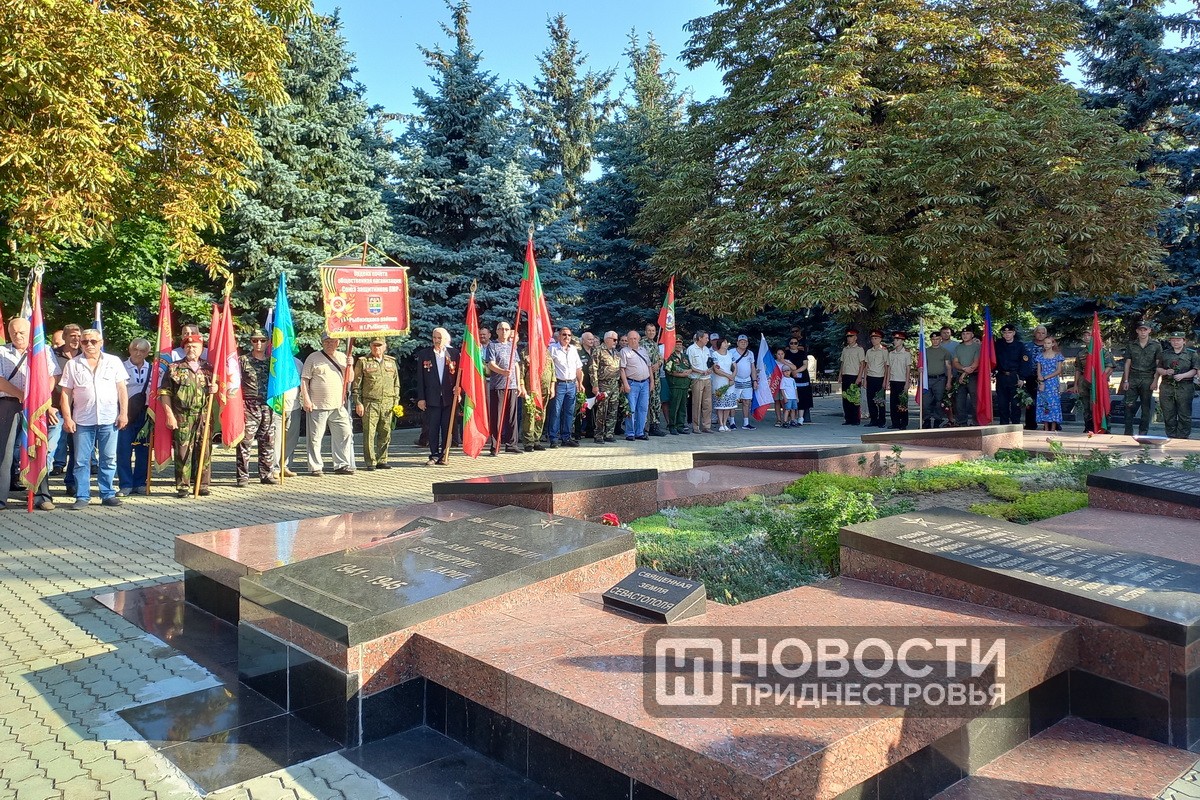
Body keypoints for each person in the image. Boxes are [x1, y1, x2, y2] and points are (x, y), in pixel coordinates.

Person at [59, 329, 128, 510]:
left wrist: (124, 413)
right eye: (85, 342)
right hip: (82, 420)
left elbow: (122, 390)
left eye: (93, 341)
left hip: (109, 419)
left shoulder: (114, 361)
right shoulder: (73, 364)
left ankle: (108, 494)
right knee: (81, 461)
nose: (89, 344)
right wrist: (67, 418)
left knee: (109, 459)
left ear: (101, 342)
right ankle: (82, 496)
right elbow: (65, 394)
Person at [0, 318, 59, 510]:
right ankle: (1, 497)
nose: (17, 335)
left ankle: (42, 496)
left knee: (38, 447)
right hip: (9, 404)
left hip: (36, 406)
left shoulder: (43, 350)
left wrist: (41, 398)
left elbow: (52, 376)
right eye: (13, 332)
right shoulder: (1, 352)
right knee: (4, 452)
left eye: (22, 332)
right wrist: (22, 396)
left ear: (30, 332)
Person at [159, 334, 215, 497]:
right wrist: (169, 415)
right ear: (183, 349)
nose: (191, 349)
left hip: (204, 415)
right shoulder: (174, 368)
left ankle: (202, 485)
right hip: (183, 416)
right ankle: (183, 486)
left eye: (195, 346)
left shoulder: (209, 368)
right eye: (188, 346)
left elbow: (220, 390)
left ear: (201, 349)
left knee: (204, 450)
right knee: (183, 451)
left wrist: (216, 388)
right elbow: (165, 393)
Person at [301, 335, 356, 476]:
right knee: (315, 438)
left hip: (338, 405)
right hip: (317, 405)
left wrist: (349, 365)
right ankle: (315, 467)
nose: (329, 344)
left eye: (332, 341)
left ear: (338, 343)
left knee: (344, 433)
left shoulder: (343, 357)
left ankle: (341, 464)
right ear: (322, 343)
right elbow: (304, 380)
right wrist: (306, 399)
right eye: (326, 341)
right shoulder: (313, 358)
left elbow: (350, 378)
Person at [235, 329, 277, 486]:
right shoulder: (243, 360)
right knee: (245, 442)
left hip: (268, 405)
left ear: (268, 342)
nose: (259, 343)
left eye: (262, 340)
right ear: (251, 342)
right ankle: (243, 476)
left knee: (268, 441)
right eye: (255, 340)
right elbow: (235, 383)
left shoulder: (272, 362)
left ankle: (266, 474)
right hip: (249, 405)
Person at [352, 337, 400, 469]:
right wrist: (358, 402)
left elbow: (396, 383)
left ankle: (382, 459)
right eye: (374, 345)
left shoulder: (391, 362)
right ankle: (370, 461)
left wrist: (396, 402)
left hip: (388, 403)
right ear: (370, 346)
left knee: (385, 432)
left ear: (385, 347)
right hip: (370, 403)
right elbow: (356, 385)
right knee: (369, 433)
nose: (376, 348)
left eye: (379, 345)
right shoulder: (363, 362)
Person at [415, 327, 459, 465]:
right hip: (432, 398)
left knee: (447, 428)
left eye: (439, 338)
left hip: (448, 398)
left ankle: (444, 455)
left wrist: (459, 389)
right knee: (433, 428)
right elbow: (420, 378)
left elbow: (460, 375)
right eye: (434, 337)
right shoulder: (425, 354)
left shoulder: (454, 353)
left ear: (445, 339)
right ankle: (434, 455)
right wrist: (421, 398)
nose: (436, 340)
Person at [117, 338, 151, 496]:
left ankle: (140, 482)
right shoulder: (121, 367)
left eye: (142, 351)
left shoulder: (153, 369)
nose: (138, 353)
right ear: (129, 350)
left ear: (147, 353)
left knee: (143, 450)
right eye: (135, 349)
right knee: (124, 450)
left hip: (145, 414)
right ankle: (125, 484)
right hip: (125, 413)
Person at [485, 323, 524, 454]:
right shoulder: (492, 345)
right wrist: (502, 372)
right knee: (497, 416)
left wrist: (518, 384)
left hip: (511, 386)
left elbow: (516, 365)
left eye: (507, 329)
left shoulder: (512, 346)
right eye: (501, 329)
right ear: (497, 331)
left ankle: (511, 444)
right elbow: (490, 364)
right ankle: (495, 445)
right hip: (498, 386)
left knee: (512, 416)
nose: (504, 331)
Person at [51, 323, 82, 486]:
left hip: (79, 410)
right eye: (72, 336)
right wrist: (47, 406)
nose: (76, 339)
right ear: (64, 337)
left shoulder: (85, 355)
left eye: (79, 336)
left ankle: (72, 484)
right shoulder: (52, 355)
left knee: (77, 450)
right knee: (50, 447)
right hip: (55, 409)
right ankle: (40, 488)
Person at [1120, 320, 1162, 438]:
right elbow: (1127, 363)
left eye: (1145, 330)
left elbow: (1158, 364)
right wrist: (1126, 380)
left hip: (1148, 378)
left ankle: (1143, 432)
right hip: (1133, 378)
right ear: (1137, 331)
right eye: (1140, 330)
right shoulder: (1131, 345)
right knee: (1128, 405)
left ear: (1149, 331)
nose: (1143, 332)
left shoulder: (1156, 345)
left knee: (1145, 407)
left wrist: (1155, 381)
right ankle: (1128, 432)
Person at [546, 327, 584, 448]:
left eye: (569, 335)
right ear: (559, 336)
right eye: (564, 335)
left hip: (572, 384)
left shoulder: (573, 349)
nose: (566, 337)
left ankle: (566, 437)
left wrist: (580, 383)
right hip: (559, 384)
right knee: (556, 412)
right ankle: (553, 438)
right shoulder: (552, 348)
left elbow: (578, 368)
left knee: (569, 412)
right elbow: (548, 367)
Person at [1157, 332, 1198, 439]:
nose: (1175, 342)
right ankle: (1171, 436)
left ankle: (1183, 437)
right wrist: (1166, 372)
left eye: (1178, 340)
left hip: (1185, 387)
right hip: (1167, 387)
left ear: (1184, 341)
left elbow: (1195, 369)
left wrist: (1183, 375)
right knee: (1168, 413)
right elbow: (1159, 368)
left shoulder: (1191, 354)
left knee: (1184, 414)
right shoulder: (1164, 354)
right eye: (1173, 340)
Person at [271, 354, 304, 479]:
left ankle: (284, 465)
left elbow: (303, 383)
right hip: (278, 406)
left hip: (294, 406)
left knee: (291, 438)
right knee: (277, 439)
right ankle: (274, 468)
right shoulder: (274, 360)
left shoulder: (298, 363)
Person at [1074, 340, 1115, 434]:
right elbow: (1078, 369)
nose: (1087, 337)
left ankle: (1105, 428)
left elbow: (1110, 367)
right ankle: (1088, 428)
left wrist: (1100, 378)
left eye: (1089, 335)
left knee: (1102, 405)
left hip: (1099, 382)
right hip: (1084, 383)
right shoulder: (1081, 353)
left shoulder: (1103, 352)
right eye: (1085, 335)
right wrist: (1075, 384)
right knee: (1086, 407)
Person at [589, 331, 622, 444]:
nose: (616, 342)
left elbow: (619, 369)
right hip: (603, 385)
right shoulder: (598, 351)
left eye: (617, 340)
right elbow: (593, 369)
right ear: (607, 339)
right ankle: (598, 435)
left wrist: (621, 384)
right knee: (602, 410)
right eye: (614, 340)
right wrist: (595, 385)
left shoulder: (616, 353)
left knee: (613, 410)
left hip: (615, 385)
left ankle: (609, 434)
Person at [619, 330, 652, 440]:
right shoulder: (624, 351)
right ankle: (630, 433)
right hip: (632, 383)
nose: (633, 340)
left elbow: (649, 367)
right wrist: (625, 384)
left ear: (639, 339)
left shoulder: (643, 350)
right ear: (627, 340)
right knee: (631, 409)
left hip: (645, 383)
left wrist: (652, 382)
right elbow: (622, 369)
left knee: (643, 409)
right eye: (631, 338)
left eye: (635, 338)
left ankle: (640, 432)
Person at [993, 324, 1025, 426]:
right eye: (1005, 332)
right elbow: (992, 357)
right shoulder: (998, 345)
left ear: (1014, 333)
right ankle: (1004, 424)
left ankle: (1015, 425)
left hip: (1014, 376)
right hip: (1001, 376)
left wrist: (1022, 378)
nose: (1007, 334)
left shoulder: (1020, 346)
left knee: (1015, 404)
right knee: (1002, 403)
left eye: (1009, 332)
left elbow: (1024, 362)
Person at [1034, 335, 1065, 432]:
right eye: (1045, 343)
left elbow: (1058, 370)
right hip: (1042, 382)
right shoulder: (1040, 356)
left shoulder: (1057, 355)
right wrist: (1040, 377)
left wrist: (1046, 377)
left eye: (1048, 343)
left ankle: (1053, 427)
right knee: (1043, 402)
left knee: (1053, 403)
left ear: (1053, 344)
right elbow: (1039, 370)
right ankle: (1046, 426)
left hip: (1052, 382)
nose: (1046, 345)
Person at [953, 325, 983, 426]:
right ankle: (961, 422)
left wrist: (964, 374)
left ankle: (976, 422)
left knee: (975, 400)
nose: (965, 335)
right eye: (963, 334)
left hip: (973, 376)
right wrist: (963, 369)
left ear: (972, 335)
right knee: (959, 401)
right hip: (960, 375)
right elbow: (955, 362)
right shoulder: (958, 347)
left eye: (968, 333)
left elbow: (976, 363)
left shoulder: (977, 347)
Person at [642, 323, 668, 436]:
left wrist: (658, 364)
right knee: (643, 403)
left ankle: (655, 425)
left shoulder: (655, 345)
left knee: (656, 402)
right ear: (645, 332)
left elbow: (660, 359)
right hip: (645, 377)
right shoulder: (641, 344)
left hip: (656, 378)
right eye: (649, 330)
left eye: (653, 331)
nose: (651, 333)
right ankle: (643, 427)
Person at [923, 331, 953, 428]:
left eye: (937, 339)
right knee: (925, 402)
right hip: (927, 380)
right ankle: (926, 420)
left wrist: (949, 382)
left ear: (940, 339)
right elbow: (922, 365)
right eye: (933, 339)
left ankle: (937, 419)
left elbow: (948, 367)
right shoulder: (925, 351)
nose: (935, 341)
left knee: (939, 401)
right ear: (930, 340)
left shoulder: (945, 352)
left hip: (940, 379)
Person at [686, 331, 713, 434]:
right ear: (700, 338)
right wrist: (700, 371)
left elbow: (709, 362)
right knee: (696, 403)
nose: (708, 340)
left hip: (707, 378)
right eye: (706, 338)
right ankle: (696, 426)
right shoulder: (691, 349)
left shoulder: (706, 349)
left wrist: (710, 369)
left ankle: (706, 426)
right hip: (697, 379)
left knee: (707, 403)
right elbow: (689, 365)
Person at [663, 339, 691, 434]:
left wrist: (688, 372)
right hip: (675, 385)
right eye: (677, 344)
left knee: (682, 407)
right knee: (674, 407)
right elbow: (668, 370)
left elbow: (690, 368)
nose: (679, 346)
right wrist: (681, 374)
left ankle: (680, 426)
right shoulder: (670, 357)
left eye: (680, 344)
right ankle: (672, 426)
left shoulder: (685, 357)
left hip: (685, 385)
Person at [730, 334, 758, 429]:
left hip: (747, 380)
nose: (743, 343)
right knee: (734, 401)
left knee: (747, 401)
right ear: (737, 343)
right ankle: (732, 422)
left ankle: (746, 423)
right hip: (736, 380)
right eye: (741, 342)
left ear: (747, 343)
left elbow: (753, 367)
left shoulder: (750, 353)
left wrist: (754, 380)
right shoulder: (731, 352)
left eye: (745, 342)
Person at [1023, 325, 1048, 429]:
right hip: (1030, 376)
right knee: (1030, 400)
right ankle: (1030, 424)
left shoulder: (1049, 345)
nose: (1040, 335)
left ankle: (1050, 424)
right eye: (1038, 332)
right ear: (1034, 333)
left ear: (1046, 335)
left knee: (1048, 400)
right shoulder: (1027, 346)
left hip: (1046, 377)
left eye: (1043, 333)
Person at [710, 337, 737, 431]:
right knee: (720, 404)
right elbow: (716, 369)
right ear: (720, 344)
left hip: (730, 382)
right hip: (720, 382)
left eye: (727, 342)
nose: (726, 344)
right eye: (724, 342)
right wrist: (728, 375)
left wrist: (733, 376)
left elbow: (735, 366)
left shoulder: (730, 354)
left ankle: (725, 423)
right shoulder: (715, 354)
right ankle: (721, 424)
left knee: (728, 404)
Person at [886, 332, 912, 430]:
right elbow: (889, 368)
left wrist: (907, 383)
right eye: (894, 340)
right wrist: (887, 381)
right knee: (893, 403)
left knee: (902, 403)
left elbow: (908, 369)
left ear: (902, 341)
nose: (895, 341)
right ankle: (895, 423)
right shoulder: (891, 354)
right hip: (893, 380)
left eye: (897, 340)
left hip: (902, 381)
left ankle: (903, 423)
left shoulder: (906, 354)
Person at [840, 330, 866, 425]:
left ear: (855, 338)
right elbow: (842, 363)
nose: (849, 338)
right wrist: (840, 375)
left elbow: (862, 364)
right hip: (845, 375)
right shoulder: (845, 349)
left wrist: (859, 377)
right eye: (848, 336)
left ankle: (855, 419)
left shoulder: (859, 349)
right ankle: (848, 419)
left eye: (851, 336)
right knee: (846, 398)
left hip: (854, 375)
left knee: (854, 398)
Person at [784, 337, 812, 423]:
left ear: (798, 344)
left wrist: (796, 371)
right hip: (790, 378)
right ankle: (792, 418)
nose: (793, 345)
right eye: (791, 343)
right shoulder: (786, 353)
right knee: (791, 397)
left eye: (795, 343)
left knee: (802, 397)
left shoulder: (802, 353)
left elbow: (805, 365)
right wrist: (791, 372)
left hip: (803, 377)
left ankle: (801, 418)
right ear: (789, 344)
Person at [864, 330, 888, 427]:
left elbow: (886, 367)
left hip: (880, 378)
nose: (874, 340)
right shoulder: (869, 351)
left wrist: (885, 381)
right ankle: (873, 420)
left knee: (880, 401)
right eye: (872, 338)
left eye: (876, 338)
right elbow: (866, 366)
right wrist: (865, 380)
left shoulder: (884, 351)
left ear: (880, 339)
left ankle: (882, 421)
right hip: (870, 377)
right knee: (870, 400)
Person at [577, 331, 596, 441]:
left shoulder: (595, 352)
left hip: (592, 385)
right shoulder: (578, 352)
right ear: (583, 340)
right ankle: (577, 431)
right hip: (582, 384)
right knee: (580, 408)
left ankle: (590, 430)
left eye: (592, 339)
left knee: (591, 408)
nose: (591, 341)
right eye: (589, 339)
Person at [780, 362, 799, 427]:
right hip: (788, 397)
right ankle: (785, 421)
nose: (787, 372)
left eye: (788, 370)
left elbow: (795, 389)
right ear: (783, 372)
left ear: (790, 371)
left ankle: (792, 420)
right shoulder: (783, 380)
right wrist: (785, 397)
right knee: (787, 409)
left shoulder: (792, 380)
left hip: (793, 397)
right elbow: (782, 389)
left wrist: (797, 397)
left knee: (793, 409)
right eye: (784, 371)